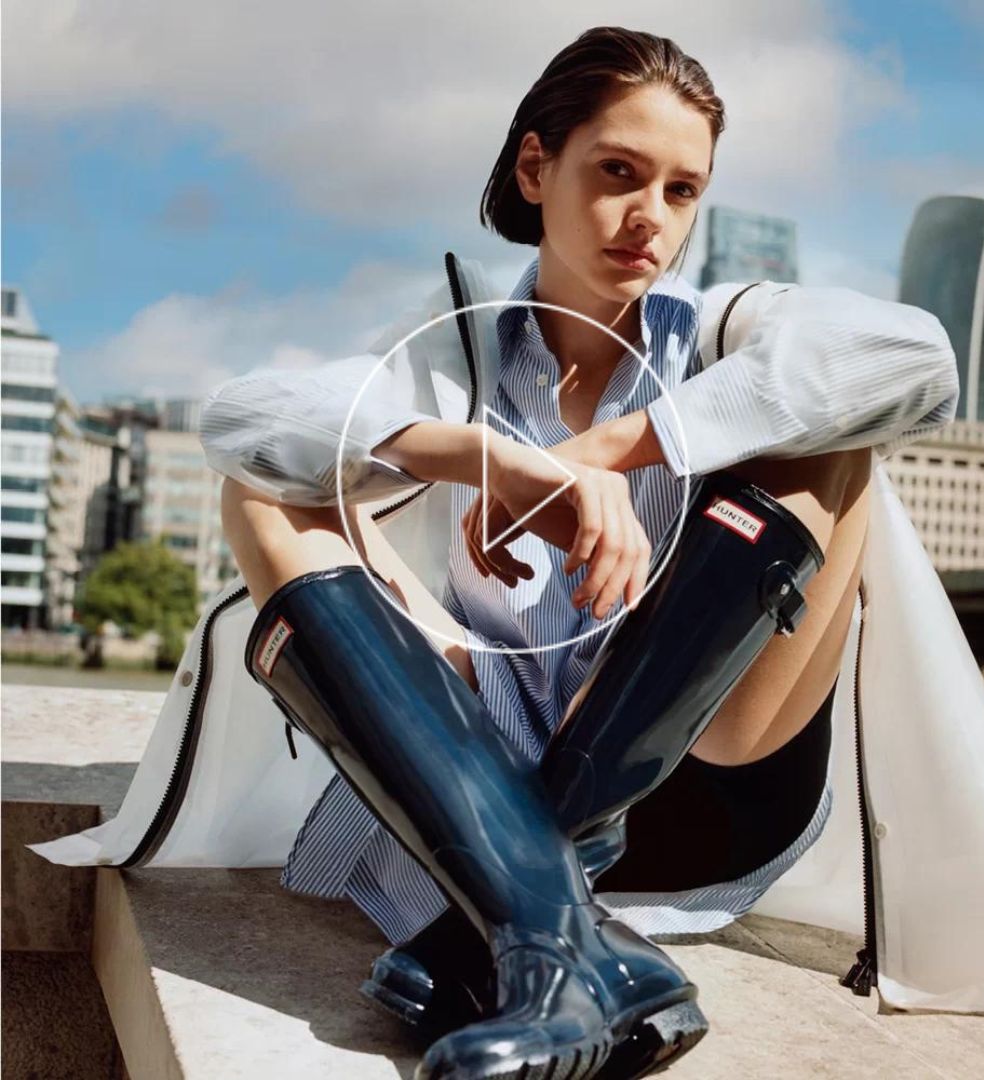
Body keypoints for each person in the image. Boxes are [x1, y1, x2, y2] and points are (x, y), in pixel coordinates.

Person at [215, 25, 893, 1079]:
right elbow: (240, 417)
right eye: (617, 173)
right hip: (486, 777)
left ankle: (511, 916)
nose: (648, 219)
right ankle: (572, 950)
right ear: (537, 167)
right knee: (259, 489)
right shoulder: (459, 347)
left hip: (696, 784)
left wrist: (611, 450)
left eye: (681, 191)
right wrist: (491, 460)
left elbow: (911, 356)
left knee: (835, 432)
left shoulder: (719, 335)